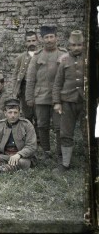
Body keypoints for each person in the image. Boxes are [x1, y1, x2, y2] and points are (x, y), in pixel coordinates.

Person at [26, 25, 68, 161]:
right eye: (46, 37)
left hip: (59, 99)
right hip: (41, 98)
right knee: (42, 125)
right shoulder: (37, 56)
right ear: (42, 39)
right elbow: (31, 79)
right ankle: (46, 152)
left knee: (59, 127)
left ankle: (60, 154)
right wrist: (29, 97)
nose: (49, 40)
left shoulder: (63, 54)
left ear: (56, 38)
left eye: (51, 37)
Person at [52, 30, 85, 172]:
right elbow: (57, 83)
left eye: (79, 45)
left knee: (89, 133)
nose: (76, 47)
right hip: (67, 102)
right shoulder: (64, 60)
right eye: (73, 45)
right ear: (69, 45)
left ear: (83, 45)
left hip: (85, 103)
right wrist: (57, 102)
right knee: (65, 133)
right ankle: (65, 164)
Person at [0, 98, 37, 174]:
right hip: (5, 155)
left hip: (21, 157)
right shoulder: (0, 125)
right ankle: (6, 168)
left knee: (23, 163)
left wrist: (19, 154)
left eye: (15, 112)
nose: (13, 115)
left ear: (19, 113)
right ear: (5, 113)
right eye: (10, 112)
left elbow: (31, 146)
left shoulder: (27, 125)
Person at [12, 31, 39, 126]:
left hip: (38, 88)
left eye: (33, 40)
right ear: (25, 43)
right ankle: (29, 135)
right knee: (27, 114)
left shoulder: (41, 55)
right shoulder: (21, 58)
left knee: (38, 114)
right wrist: (15, 91)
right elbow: (15, 75)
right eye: (29, 41)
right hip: (24, 88)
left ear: (37, 41)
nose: (31, 43)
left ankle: (39, 137)